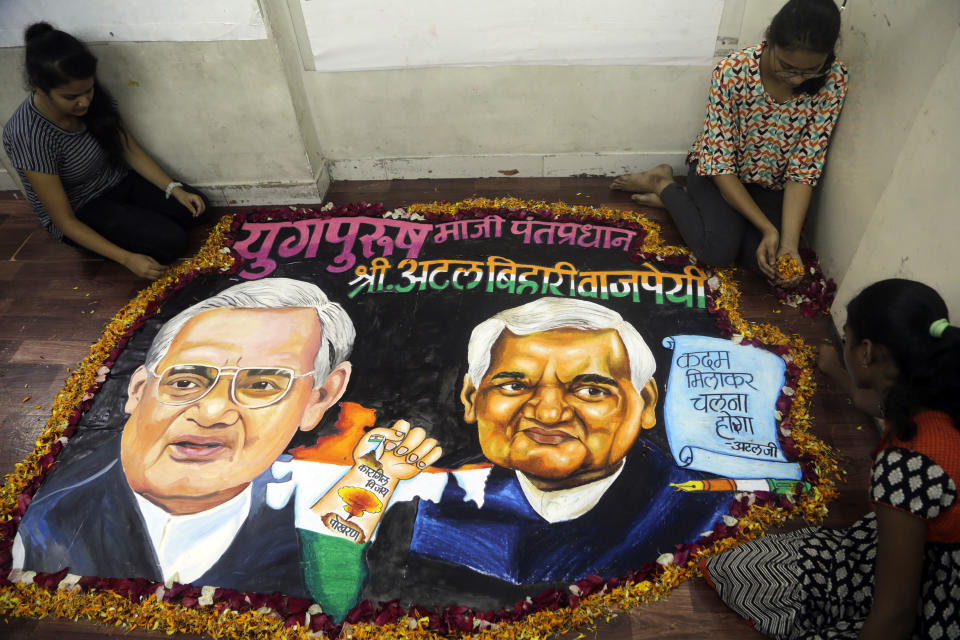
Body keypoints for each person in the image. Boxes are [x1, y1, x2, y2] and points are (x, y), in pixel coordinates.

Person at [13, 278, 440, 597]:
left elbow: (334, 586)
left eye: (262, 386)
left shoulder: (308, 504)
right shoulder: (43, 529)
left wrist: (373, 478)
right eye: (185, 382)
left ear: (319, 398)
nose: (213, 411)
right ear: (140, 389)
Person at [356, 298, 732, 613]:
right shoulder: (423, 510)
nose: (549, 413)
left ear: (645, 403)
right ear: (472, 398)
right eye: (515, 385)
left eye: (590, 390)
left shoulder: (704, 512)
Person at [701, 279, 960, 639]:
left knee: (745, 573)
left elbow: (895, 616)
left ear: (866, 351)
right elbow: (873, 402)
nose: (844, 347)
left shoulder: (906, 464)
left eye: (846, 340)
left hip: (936, 596)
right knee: (740, 567)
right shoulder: (936, 391)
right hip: (919, 543)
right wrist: (836, 370)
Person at [611, 0, 847, 282]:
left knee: (765, 262)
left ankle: (694, 212)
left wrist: (788, 245)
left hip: (771, 185)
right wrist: (769, 230)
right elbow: (720, 165)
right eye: (787, 67)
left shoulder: (833, 80)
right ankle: (663, 184)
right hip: (717, 174)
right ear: (770, 37)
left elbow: (804, 168)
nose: (796, 79)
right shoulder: (733, 71)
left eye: (810, 71)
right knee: (717, 252)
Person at [2, 22, 209, 280]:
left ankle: (144, 222)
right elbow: (63, 220)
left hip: (116, 179)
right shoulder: (29, 134)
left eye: (88, 90)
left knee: (196, 206)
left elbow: (128, 148)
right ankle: (123, 239)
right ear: (40, 87)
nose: (84, 101)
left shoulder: (91, 96)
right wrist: (127, 259)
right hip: (83, 207)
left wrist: (173, 188)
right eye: (71, 97)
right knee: (170, 243)